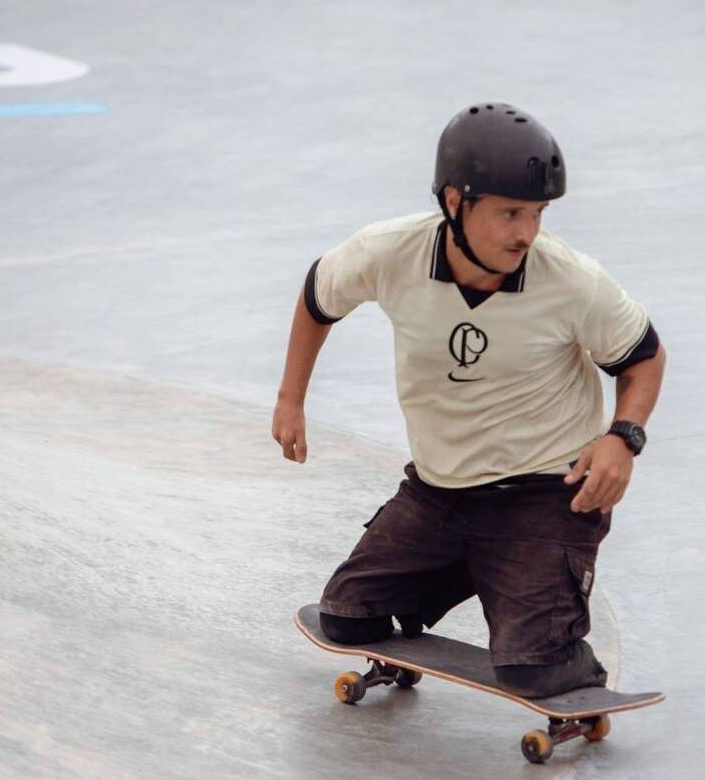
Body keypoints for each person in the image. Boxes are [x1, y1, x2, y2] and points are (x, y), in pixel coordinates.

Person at [272, 102, 665, 698]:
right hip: (439, 493)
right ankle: (487, 570)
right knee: (348, 618)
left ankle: (554, 635)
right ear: (455, 202)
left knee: (533, 668)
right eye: (510, 213)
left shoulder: (572, 281)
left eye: (537, 214)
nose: (526, 233)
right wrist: (289, 400)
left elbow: (644, 359)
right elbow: (317, 296)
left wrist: (624, 437)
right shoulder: (389, 252)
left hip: (545, 495)